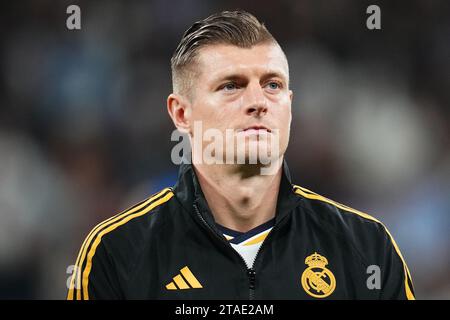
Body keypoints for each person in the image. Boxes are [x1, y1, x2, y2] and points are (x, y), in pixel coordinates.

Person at [67, 10, 415, 300]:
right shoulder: (118, 253)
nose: (258, 102)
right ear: (181, 114)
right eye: (231, 86)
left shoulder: (366, 247)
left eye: (272, 85)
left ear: (290, 107)